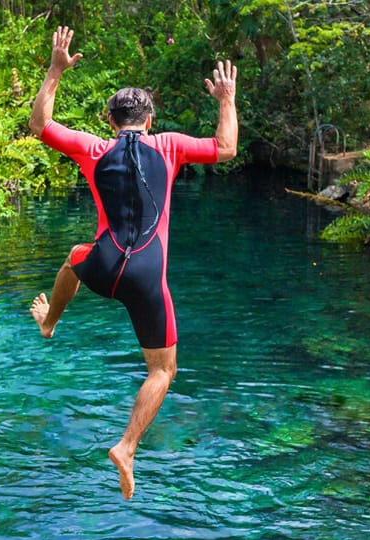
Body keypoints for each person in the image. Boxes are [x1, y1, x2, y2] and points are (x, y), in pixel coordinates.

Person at [28, 26, 238, 500]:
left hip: (101, 267)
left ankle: (50, 323)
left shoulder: (94, 148)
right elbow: (226, 148)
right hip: (146, 278)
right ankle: (126, 446)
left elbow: (39, 126)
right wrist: (226, 98)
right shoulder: (169, 146)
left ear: (109, 118)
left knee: (74, 258)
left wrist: (56, 71)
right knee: (162, 371)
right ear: (151, 118)